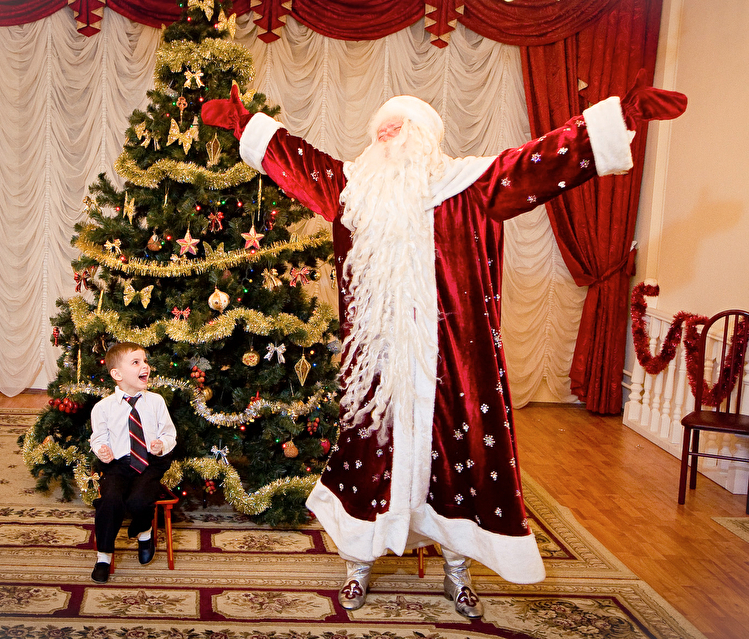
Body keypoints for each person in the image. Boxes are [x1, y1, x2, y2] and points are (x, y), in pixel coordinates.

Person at [201, 72, 686, 618]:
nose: (387, 136)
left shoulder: (470, 184)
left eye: (398, 127)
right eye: (380, 130)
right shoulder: (352, 188)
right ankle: (358, 564)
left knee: (461, 462)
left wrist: (618, 118)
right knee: (367, 461)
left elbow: (542, 160)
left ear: (425, 134)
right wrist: (246, 125)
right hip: (379, 368)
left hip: (454, 361)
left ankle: (458, 569)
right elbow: (299, 162)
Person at [89, 341, 177, 583]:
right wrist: (101, 449)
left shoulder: (156, 402)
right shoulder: (103, 408)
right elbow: (98, 437)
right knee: (109, 500)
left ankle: (144, 531)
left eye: (145, 361)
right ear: (117, 374)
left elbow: (170, 433)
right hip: (118, 464)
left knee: (139, 500)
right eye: (136, 362)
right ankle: (103, 556)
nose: (145, 366)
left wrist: (161, 444)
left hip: (149, 462)